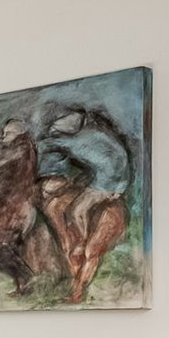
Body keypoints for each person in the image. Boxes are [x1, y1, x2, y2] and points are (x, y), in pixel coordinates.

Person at [39, 105, 134, 303]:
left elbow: (54, 146)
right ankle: (77, 286)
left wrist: (50, 142)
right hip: (114, 180)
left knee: (76, 210)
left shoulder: (74, 142)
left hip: (108, 182)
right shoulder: (95, 135)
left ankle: (80, 242)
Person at [0, 120, 40, 297]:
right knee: (1, 248)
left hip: (14, 205)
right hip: (9, 202)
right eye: (4, 133)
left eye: (8, 133)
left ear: (19, 133)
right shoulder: (21, 148)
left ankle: (27, 277)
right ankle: (23, 285)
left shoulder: (21, 148)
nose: (3, 137)